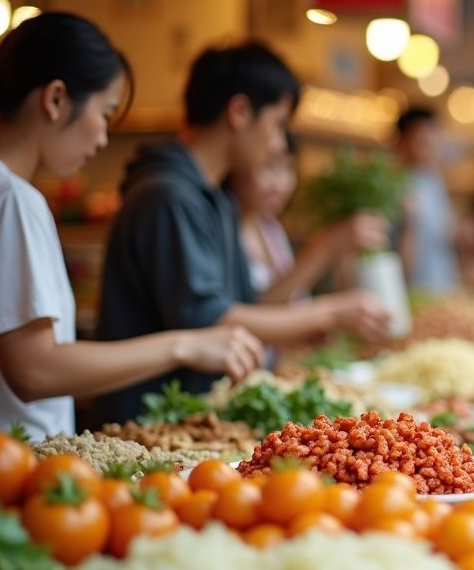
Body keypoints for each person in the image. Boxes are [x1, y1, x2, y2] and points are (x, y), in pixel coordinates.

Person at [0, 14, 264, 440]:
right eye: (106, 114)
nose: (102, 140)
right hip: (12, 473)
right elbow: (35, 370)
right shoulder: (9, 199)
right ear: (56, 99)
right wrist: (184, 344)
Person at [94, 42, 392, 425]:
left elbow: (248, 308)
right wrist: (329, 312)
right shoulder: (168, 196)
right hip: (147, 426)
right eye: (278, 124)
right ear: (239, 112)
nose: (279, 143)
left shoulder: (213, 199)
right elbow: (213, 320)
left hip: (193, 419)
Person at [227, 134, 389, 302]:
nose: (282, 184)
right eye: (269, 167)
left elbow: (292, 300)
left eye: (289, 168)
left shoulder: (270, 229)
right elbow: (255, 309)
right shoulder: (225, 232)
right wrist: (325, 247)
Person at [395, 107, 460, 293]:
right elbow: (400, 266)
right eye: (422, 143)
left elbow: (445, 234)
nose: (431, 150)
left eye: (434, 141)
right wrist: (410, 225)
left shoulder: (433, 180)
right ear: (401, 144)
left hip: (444, 286)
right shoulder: (396, 188)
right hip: (415, 292)